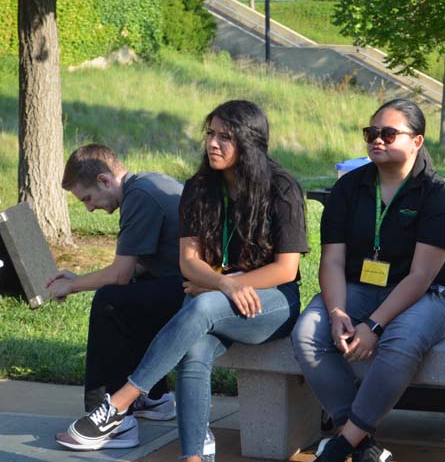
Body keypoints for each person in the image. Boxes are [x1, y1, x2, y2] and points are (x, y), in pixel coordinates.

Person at [57, 100, 308, 461]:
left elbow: (285, 269)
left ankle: (119, 403)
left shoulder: (281, 188)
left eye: (225, 136)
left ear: (249, 141)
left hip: (271, 300)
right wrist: (222, 284)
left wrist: (225, 285)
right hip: (216, 296)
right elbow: (188, 262)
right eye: (210, 133)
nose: (213, 143)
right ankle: (193, 457)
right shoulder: (199, 188)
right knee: (195, 350)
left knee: (202, 304)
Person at [292, 98, 445, 462]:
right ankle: (359, 438)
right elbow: (333, 260)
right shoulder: (349, 188)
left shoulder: (435, 195)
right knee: (308, 332)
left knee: (400, 341)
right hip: (360, 288)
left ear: (417, 141)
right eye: (372, 133)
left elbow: (420, 275)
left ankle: (339, 447)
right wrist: (338, 311)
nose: (377, 141)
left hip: (431, 294)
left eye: (389, 134)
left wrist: (373, 325)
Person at [46, 144, 184, 429]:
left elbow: (119, 274)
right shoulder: (148, 183)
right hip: (189, 285)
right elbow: (140, 267)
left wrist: (71, 288)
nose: (89, 207)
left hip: (199, 293)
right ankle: (154, 397)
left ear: (104, 180)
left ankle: (109, 416)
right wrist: (76, 278)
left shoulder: (139, 197)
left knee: (109, 301)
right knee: (134, 291)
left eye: (87, 198)